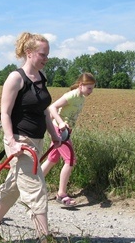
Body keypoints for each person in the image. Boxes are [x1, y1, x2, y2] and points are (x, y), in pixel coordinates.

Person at [0, 32, 62, 243]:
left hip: (37, 140)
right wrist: (12, 142)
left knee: (16, 184)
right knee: (35, 187)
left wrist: (54, 135)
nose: (46, 59)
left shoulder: (41, 78)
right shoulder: (15, 78)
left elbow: (44, 110)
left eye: (47, 55)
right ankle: (47, 242)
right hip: (19, 141)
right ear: (29, 53)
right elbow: (5, 114)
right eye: (43, 54)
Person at [41, 72, 96, 206]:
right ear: (81, 85)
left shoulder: (81, 97)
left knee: (52, 159)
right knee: (70, 160)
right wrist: (60, 123)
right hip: (60, 131)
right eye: (89, 88)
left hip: (65, 131)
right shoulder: (71, 95)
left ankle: (31, 186)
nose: (91, 91)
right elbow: (52, 107)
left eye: (93, 88)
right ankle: (61, 194)